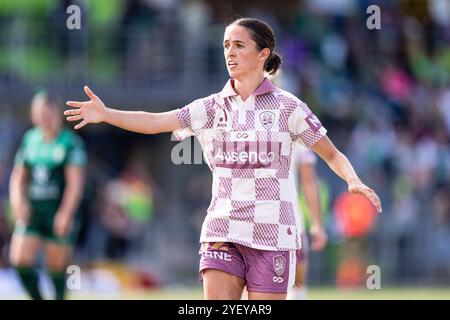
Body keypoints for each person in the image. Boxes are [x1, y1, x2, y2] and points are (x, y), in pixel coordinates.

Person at [65, 17, 381, 300]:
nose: (229, 52)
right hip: (222, 230)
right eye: (226, 45)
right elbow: (155, 121)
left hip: (272, 235)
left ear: (263, 54)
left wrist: (353, 180)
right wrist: (106, 114)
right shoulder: (211, 107)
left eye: (239, 45)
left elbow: (331, 153)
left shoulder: (289, 109)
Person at [9, 92, 86, 300]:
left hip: (57, 210)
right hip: (34, 211)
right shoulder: (30, 140)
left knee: (56, 264)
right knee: (19, 259)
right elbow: (18, 177)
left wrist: (66, 214)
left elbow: (75, 183)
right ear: (34, 115)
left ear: (57, 113)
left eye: (48, 113)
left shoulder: (70, 143)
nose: (44, 118)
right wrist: (18, 203)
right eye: (40, 114)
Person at [288, 144, 327, 300]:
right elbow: (308, 180)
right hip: (287, 220)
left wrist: (317, 224)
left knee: (297, 282)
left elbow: (308, 180)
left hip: (288, 217)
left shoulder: (296, 125)